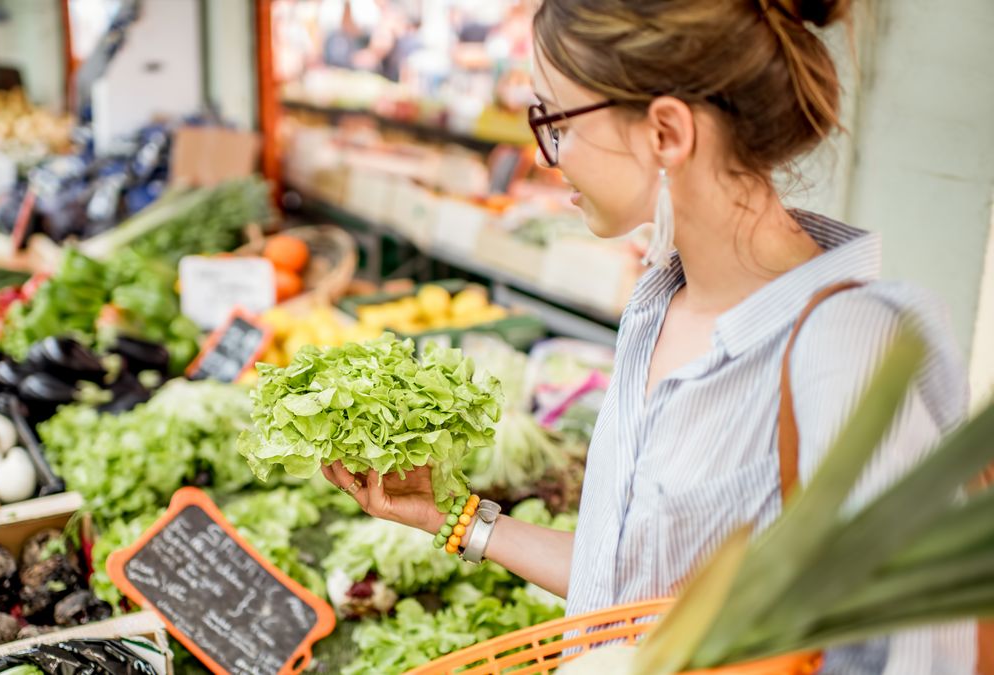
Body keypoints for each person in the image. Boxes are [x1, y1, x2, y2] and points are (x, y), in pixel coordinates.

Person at [322, 0, 976, 672]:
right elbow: (628, 593)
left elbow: (924, 655)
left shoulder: (853, 348)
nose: (546, 157)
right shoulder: (659, 304)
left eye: (553, 120)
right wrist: (453, 517)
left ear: (665, 131)